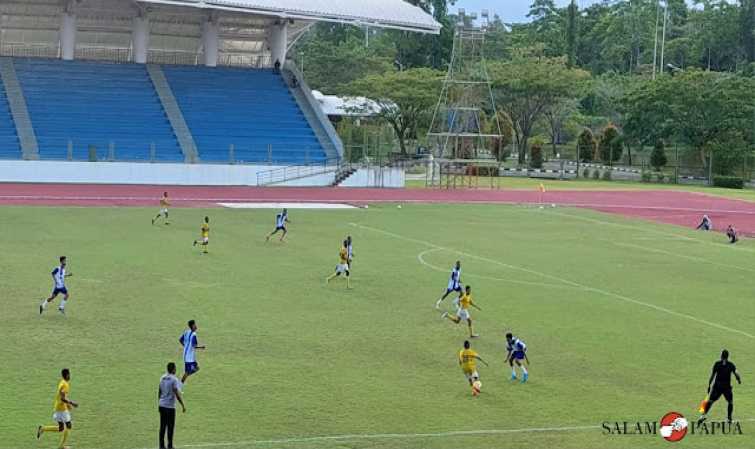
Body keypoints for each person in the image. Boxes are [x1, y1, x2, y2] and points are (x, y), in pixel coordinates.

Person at [37, 368, 79, 448]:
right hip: (62, 409)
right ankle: (62, 446)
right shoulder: (65, 385)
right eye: (69, 374)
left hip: (58, 407)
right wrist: (72, 403)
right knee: (69, 425)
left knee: (61, 428)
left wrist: (68, 405)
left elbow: (62, 396)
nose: (70, 376)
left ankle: (43, 428)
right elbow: (63, 398)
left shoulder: (62, 382)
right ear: (67, 375)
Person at [698, 349, 741, 424]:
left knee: (710, 401)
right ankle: (729, 418)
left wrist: (709, 385)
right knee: (730, 402)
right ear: (727, 357)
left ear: (721, 356)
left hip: (717, 387)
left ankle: (703, 416)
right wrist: (738, 380)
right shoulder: (731, 365)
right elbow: (736, 373)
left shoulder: (717, 364)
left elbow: (712, 375)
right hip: (726, 387)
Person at [158, 362, 186, 449]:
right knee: (170, 426)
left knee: (162, 426)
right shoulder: (174, 379)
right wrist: (182, 405)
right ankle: (170, 445)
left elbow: (159, 391)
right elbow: (176, 393)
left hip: (162, 405)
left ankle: (161, 446)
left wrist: (158, 403)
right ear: (173, 369)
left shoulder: (162, 378)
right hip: (170, 407)